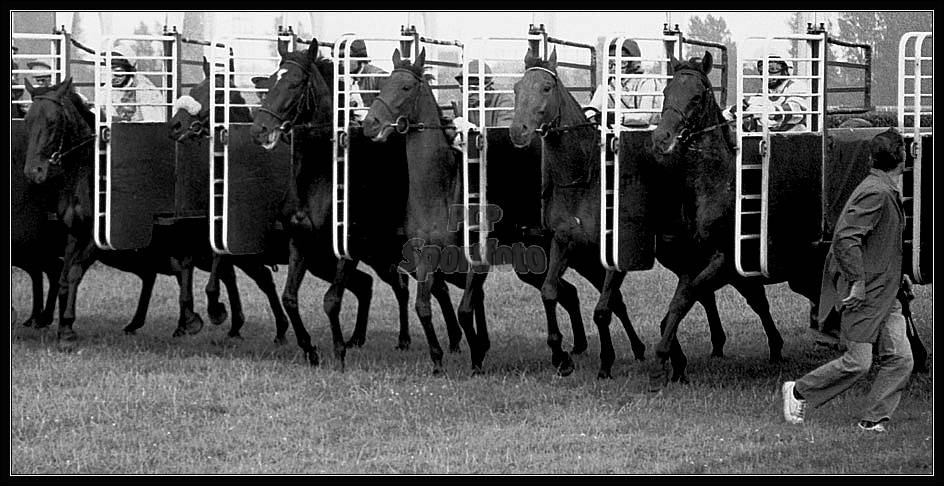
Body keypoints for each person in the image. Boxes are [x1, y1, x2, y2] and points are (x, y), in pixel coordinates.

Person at [782, 128, 912, 433]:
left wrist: (899, 273)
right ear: (902, 160)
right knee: (858, 362)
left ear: (872, 159)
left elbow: (881, 240)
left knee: (901, 359)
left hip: (886, 291)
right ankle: (798, 391)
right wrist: (857, 282)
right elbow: (845, 238)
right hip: (865, 293)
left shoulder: (882, 188)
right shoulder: (876, 192)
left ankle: (872, 421)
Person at [725, 45, 809, 132]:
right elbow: (752, 117)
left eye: (773, 69)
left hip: (795, 140)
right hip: (771, 141)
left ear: (786, 70)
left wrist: (768, 111)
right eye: (763, 69)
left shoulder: (796, 86)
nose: (767, 74)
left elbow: (796, 112)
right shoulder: (763, 92)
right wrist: (734, 112)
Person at [587, 39, 663, 128]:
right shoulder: (608, 84)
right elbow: (593, 108)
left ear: (632, 63)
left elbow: (645, 117)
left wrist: (617, 118)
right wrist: (590, 114)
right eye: (611, 63)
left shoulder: (647, 82)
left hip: (649, 132)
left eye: (621, 62)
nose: (614, 68)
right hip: (619, 130)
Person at [450, 60, 515, 138]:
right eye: (464, 88)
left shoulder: (503, 103)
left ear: (488, 87)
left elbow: (503, 137)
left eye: (474, 89)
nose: (469, 94)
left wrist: (473, 130)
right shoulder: (464, 104)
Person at [107, 45, 166, 122]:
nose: (112, 77)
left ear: (129, 71)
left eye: (118, 71)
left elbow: (153, 123)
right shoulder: (108, 87)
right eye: (109, 71)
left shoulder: (145, 90)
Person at [338, 39, 387, 122]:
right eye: (337, 57)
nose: (340, 61)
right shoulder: (341, 77)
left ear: (359, 57)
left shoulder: (377, 76)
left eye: (344, 56)